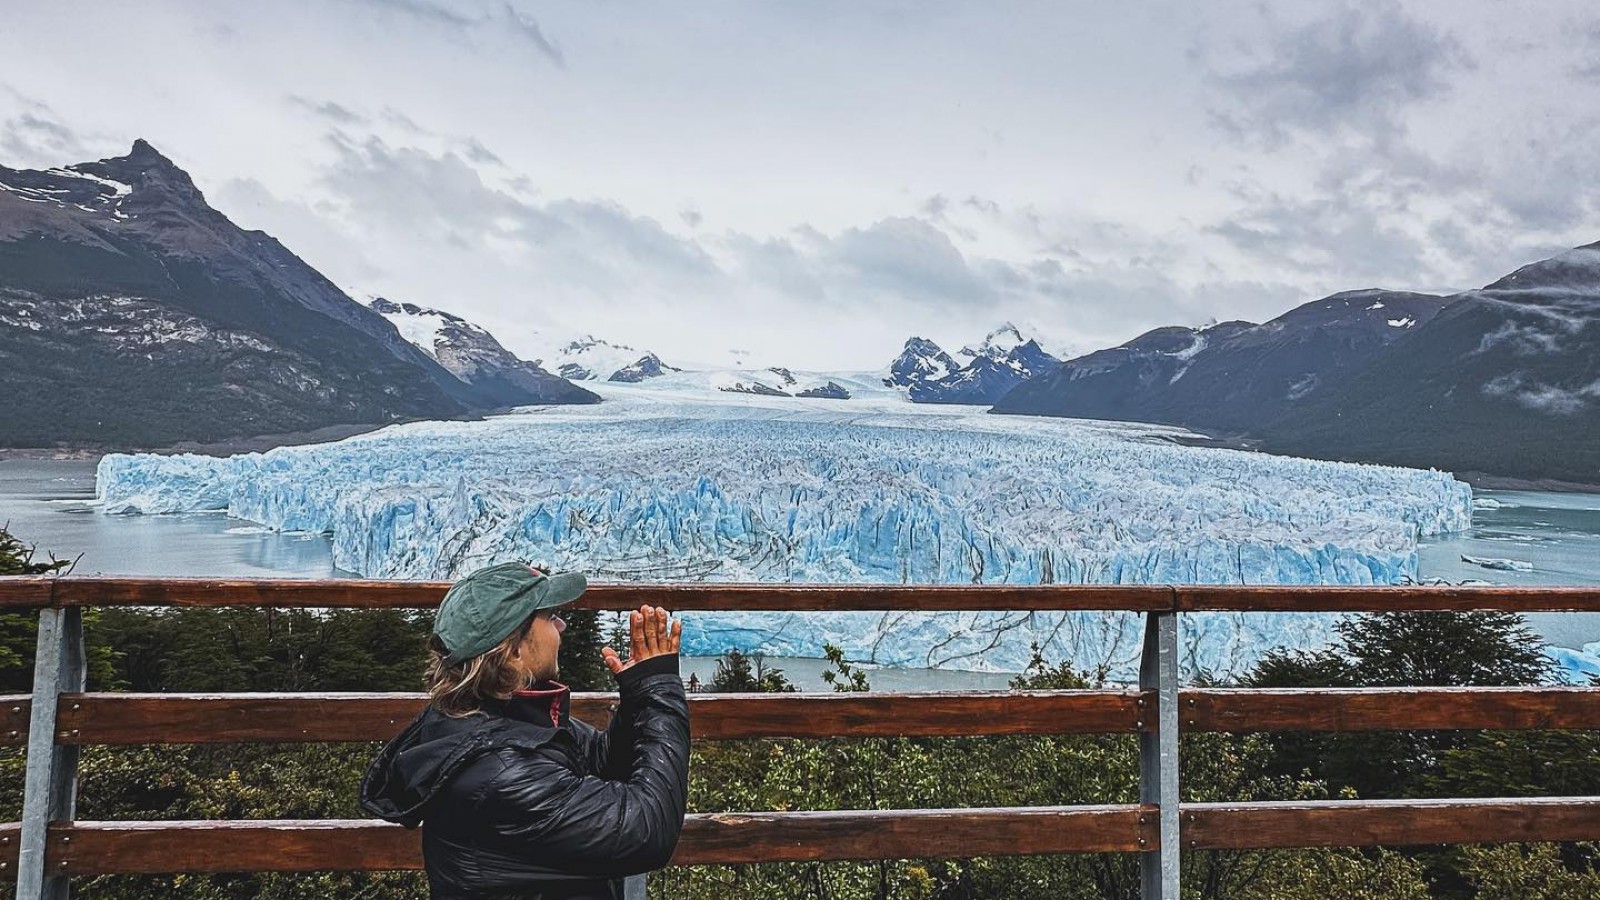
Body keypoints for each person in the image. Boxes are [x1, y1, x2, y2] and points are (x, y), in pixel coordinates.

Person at [360, 561, 690, 900]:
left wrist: (638, 698)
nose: (561, 625)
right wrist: (661, 688)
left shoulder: (494, 718)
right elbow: (646, 831)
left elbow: (596, 762)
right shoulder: (502, 770)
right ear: (513, 652)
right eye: (548, 616)